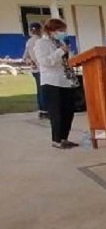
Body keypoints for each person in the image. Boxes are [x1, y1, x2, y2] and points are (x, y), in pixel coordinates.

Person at [34, 18, 79, 149]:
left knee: (68, 112)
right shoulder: (41, 43)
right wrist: (60, 51)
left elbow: (65, 60)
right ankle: (56, 140)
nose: (63, 33)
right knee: (57, 112)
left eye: (64, 30)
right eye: (60, 30)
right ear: (51, 30)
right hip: (52, 82)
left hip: (66, 80)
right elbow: (45, 61)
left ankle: (64, 138)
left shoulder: (59, 42)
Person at [22, 22, 46, 119]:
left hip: (35, 69)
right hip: (43, 69)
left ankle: (42, 110)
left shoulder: (29, 42)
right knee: (44, 90)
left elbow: (25, 57)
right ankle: (45, 110)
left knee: (40, 90)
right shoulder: (41, 41)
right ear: (40, 29)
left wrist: (31, 62)